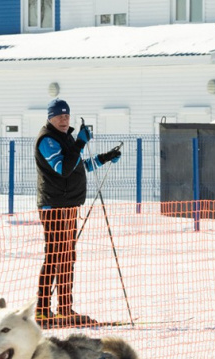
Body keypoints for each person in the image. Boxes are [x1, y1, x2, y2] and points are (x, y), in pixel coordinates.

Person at [34, 98, 122, 328]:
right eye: (59, 116)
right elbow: (63, 168)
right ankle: (43, 311)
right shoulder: (47, 140)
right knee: (54, 256)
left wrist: (104, 158)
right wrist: (80, 143)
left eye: (67, 116)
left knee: (67, 257)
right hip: (54, 207)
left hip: (69, 206)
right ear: (50, 117)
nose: (64, 120)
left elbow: (78, 166)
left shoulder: (66, 138)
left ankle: (65, 309)